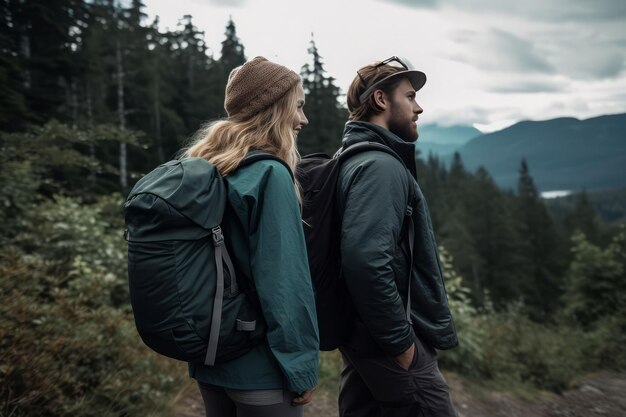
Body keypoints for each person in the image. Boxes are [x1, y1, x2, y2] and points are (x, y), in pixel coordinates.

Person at [183, 56, 319, 417]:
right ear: (274, 109)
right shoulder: (268, 175)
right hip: (261, 370)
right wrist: (301, 367)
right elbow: (285, 284)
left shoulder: (204, 169)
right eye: (299, 106)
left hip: (211, 359)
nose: (303, 120)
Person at [336, 56, 459, 417]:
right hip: (388, 338)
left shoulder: (353, 158)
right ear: (381, 100)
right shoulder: (380, 166)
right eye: (410, 96)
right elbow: (364, 260)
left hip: (362, 332)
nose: (419, 106)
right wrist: (401, 344)